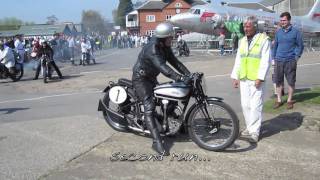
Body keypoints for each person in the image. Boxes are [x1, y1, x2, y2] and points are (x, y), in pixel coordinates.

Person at [132, 23, 191, 155]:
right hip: (141, 79)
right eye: (170, 37)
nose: (172, 39)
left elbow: (175, 62)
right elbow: (163, 68)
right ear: (163, 38)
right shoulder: (153, 49)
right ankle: (156, 142)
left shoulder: (164, 46)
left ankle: (170, 126)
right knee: (149, 107)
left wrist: (189, 74)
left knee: (170, 97)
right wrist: (179, 78)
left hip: (151, 77)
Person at [231, 16, 271, 143]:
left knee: (255, 106)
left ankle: (254, 132)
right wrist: (236, 77)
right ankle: (249, 127)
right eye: (244, 26)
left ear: (255, 26)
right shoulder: (242, 40)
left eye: (248, 26)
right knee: (245, 105)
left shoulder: (264, 39)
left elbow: (266, 60)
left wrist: (260, 77)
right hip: (244, 77)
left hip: (256, 79)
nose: (245, 28)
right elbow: (239, 59)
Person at [272, 12, 304, 109]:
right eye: (281, 20)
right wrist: (273, 58)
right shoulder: (278, 32)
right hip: (278, 60)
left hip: (290, 60)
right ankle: (279, 100)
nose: (282, 22)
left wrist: (296, 57)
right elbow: (275, 46)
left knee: (291, 81)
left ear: (289, 20)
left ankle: (289, 100)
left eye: (284, 20)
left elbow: (300, 46)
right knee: (278, 81)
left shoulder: (296, 32)